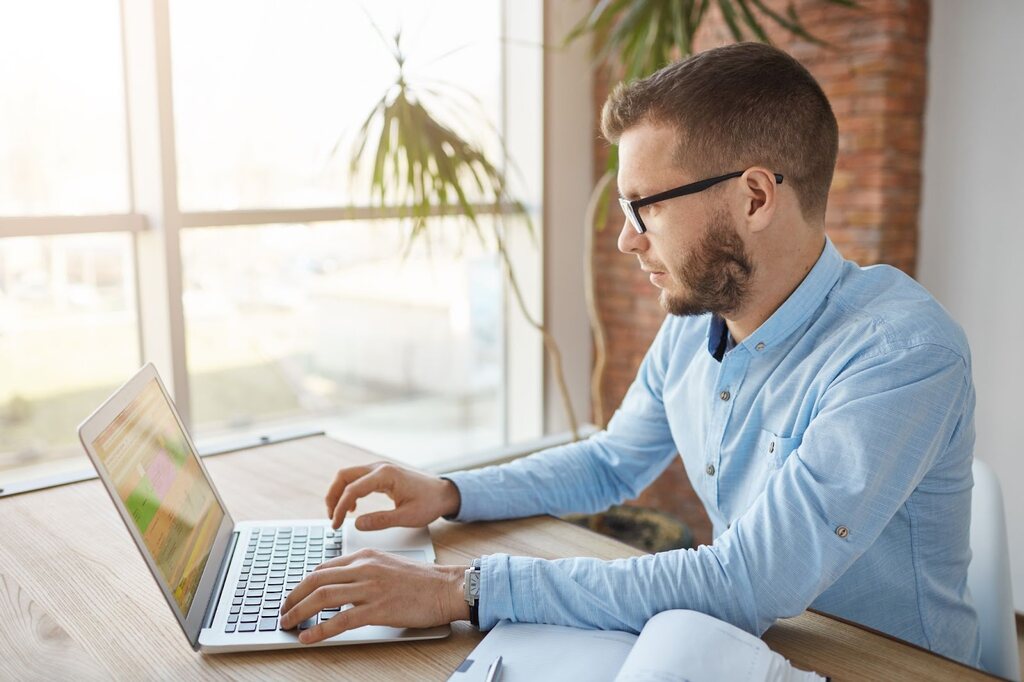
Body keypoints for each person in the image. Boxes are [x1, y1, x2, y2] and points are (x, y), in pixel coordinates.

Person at [280, 42, 980, 667]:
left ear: (756, 196)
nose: (626, 239)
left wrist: (459, 590)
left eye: (645, 205)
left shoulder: (901, 355)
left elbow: (743, 583)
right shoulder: (697, 318)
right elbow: (611, 461)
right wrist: (452, 492)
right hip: (754, 649)